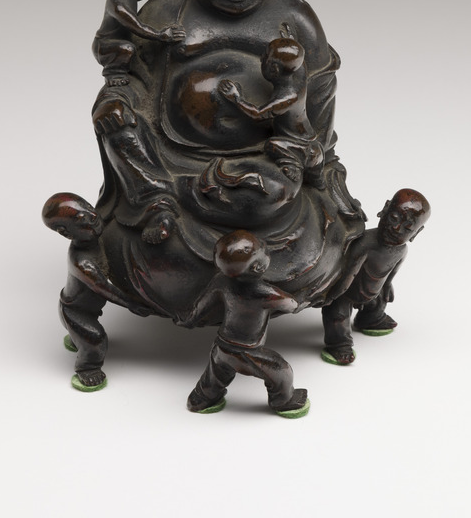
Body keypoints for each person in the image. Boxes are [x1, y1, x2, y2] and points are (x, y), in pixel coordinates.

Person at [182, 230, 310, 417]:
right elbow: (292, 304)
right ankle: (284, 400)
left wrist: (189, 319)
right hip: (248, 351)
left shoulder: (221, 281)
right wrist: (304, 299)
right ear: (258, 267)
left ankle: (201, 398)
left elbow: (201, 305)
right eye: (264, 250)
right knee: (281, 371)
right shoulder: (265, 293)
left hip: (222, 345)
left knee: (215, 376)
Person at [42, 192, 151, 391]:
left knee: (85, 335)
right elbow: (105, 289)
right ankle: (87, 368)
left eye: (90, 208)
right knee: (96, 340)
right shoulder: (82, 262)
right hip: (75, 312)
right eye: (81, 218)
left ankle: (77, 339)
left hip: (84, 309)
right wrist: (132, 304)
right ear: (67, 233)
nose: (93, 216)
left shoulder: (95, 234)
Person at [321, 189, 431, 364]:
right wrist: (334, 294)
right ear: (385, 209)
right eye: (394, 218)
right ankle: (339, 345)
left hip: (373, 290)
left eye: (407, 228)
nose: (396, 229)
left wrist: (387, 285)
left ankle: (370, 319)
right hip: (346, 291)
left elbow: (392, 270)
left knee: (380, 300)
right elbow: (349, 273)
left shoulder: (401, 251)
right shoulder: (366, 244)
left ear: (416, 233)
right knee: (337, 315)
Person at [218, 36, 324, 186]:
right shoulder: (299, 73)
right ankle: (317, 179)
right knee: (318, 182)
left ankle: (295, 164)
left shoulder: (287, 97)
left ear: (274, 69)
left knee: (271, 145)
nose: (261, 58)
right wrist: (290, 41)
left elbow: (258, 114)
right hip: (311, 139)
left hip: (300, 146)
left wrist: (236, 99)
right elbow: (299, 58)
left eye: (265, 57)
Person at [92, 0, 185, 86]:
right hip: (106, 46)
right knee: (126, 49)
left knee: (138, 50)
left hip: (123, 41)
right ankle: (113, 73)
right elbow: (137, 27)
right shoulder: (117, 4)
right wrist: (162, 35)